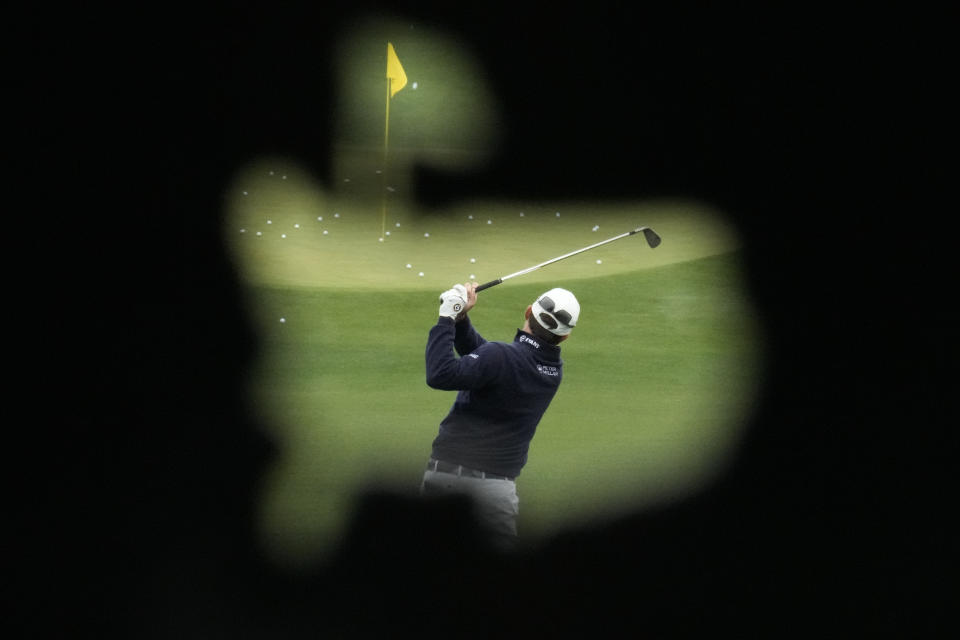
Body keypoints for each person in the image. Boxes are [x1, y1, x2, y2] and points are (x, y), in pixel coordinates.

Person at [421, 281, 580, 548]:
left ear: (528, 311)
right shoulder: (552, 370)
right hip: (497, 495)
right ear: (565, 336)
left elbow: (440, 373)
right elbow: (490, 361)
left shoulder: (501, 357)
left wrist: (447, 317)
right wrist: (462, 320)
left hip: (447, 485)